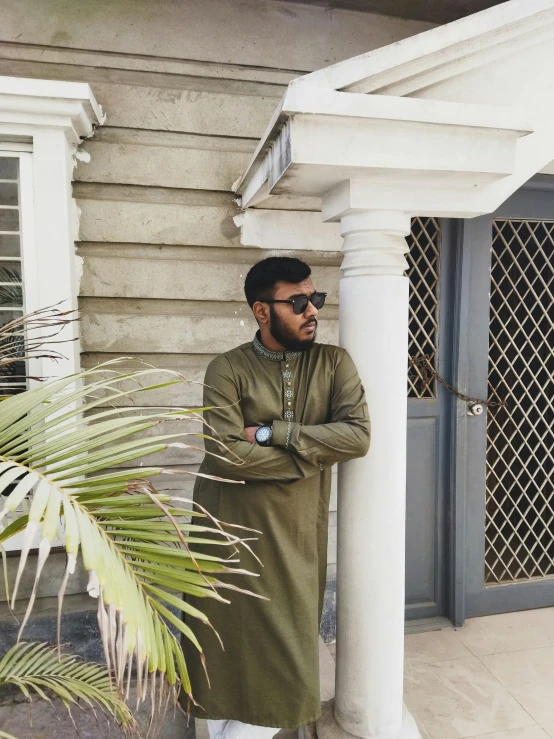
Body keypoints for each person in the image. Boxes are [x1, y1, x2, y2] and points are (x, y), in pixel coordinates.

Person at [182, 256, 370, 739]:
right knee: (219, 653)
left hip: (294, 538)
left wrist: (272, 432)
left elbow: (356, 438)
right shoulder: (227, 369)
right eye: (299, 302)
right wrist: (313, 454)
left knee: (286, 659)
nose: (313, 311)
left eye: (316, 300)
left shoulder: (334, 363)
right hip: (224, 534)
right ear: (262, 312)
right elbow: (225, 455)